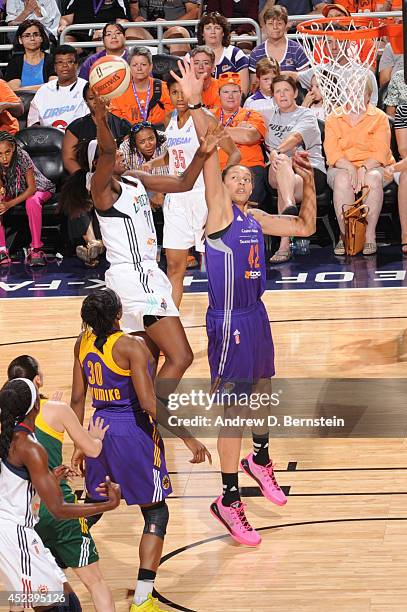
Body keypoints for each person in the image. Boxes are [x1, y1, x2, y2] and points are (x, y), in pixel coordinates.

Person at [171, 60, 316, 546]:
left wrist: (309, 182)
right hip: (228, 320)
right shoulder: (218, 215)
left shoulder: (256, 219)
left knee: (263, 392)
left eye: (246, 181)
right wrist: (194, 104)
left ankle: (260, 457)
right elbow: (212, 159)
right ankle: (228, 499)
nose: (243, 185)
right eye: (236, 180)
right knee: (233, 410)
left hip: (257, 316)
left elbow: (304, 228)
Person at [59, 92, 222, 408]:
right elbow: (107, 149)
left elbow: (185, 183)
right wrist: (102, 119)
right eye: (107, 155)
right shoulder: (100, 189)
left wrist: (202, 154)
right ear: (97, 164)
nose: (117, 152)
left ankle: (136, 416)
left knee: (148, 358)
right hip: (135, 278)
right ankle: (152, 412)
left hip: (142, 276)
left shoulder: (135, 178)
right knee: (181, 355)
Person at [71, 289, 211, 611]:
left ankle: (51, 556)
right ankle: (144, 599)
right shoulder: (131, 347)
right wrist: (187, 437)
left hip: (98, 430)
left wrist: (81, 443)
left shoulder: (81, 344)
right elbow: (148, 403)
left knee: (92, 507)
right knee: (156, 512)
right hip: (132, 433)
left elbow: (78, 399)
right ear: (118, 315)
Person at [7, 354, 116, 612]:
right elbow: (92, 450)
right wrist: (96, 437)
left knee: (23, 595)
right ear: (37, 381)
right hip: (57, 507)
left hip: (25, 518)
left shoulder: (5, 423)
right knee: (95, 582)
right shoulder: (56, 410)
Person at [155, 71, 240, 308]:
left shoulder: (206, 119)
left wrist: (221, 186)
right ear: (169, 95)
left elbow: (234, 152)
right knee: (174, 265)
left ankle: (224, 314)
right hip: (176, 199)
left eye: (183, 91)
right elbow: (173, 156)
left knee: (214, 264)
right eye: (174, 92)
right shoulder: (168, 120)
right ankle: (170, 321)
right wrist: (151, 165)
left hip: (204, 197)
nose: (179, 96)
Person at [324, 81, 395, 256]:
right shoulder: (334, 117)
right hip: (341, 166)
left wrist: (364, 167)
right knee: (343, 179)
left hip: (376, 166)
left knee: (372, 178)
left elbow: (381, 151)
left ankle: (369, 236)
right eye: (350, 90)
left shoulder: (379, 117)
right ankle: (346, 236)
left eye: (359, 92)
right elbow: (332, 153)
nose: (354, 95)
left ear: (369, 96)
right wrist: (350, 167)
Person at [266, 75, 326, 263]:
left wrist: (276, 151)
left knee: (284, 168)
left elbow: (295, 138)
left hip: (308, 170)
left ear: (295, 93)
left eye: (286, 90)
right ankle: (291, 206)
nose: (282, 94)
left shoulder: (306, 114)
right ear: (273, 96)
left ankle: (284, 246)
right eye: (277, 91)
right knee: (283, 162)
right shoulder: (268, 116)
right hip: (277, 170)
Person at [211, 72, 268, 208]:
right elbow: (200, 135)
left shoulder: (252, 114)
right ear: (219, 94)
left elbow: (248, 136)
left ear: (241, 93)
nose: (230, 96)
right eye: (226, 92)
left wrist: (215, 133)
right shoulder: (209, 115)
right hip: (216, 168)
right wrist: (237, 131)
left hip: (248, 166)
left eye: (235, 92)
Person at [0, 131, 55, 267]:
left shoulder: (22, 156)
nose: (4, 158)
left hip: (39, 188)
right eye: (0, 155)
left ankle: (36, 249)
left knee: (32, 201)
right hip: (14, 191)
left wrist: (9, 204)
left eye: (7, 152)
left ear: (13, 148)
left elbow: (32, 189)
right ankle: (2, 250)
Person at [27, 44, 88, 131]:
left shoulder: (86, 88)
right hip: (47, 140)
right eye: (60, 62)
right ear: (55, 67)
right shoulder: (43, 91)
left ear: (76, 65)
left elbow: (91, 122)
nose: (65, 65)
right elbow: (33, 125)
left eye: (69, 62)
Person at [109, 47, 173, 126]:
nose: (139, 68)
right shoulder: (120, 91)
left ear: (150, 67)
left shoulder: (164, 88)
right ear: (129, 67)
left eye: (143, 64)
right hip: (129, 135)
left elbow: (172, 118)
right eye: (135, 65)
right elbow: (116, 123)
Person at [249, 6, 309, 87]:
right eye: (270, 23)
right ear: (265, 26)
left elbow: (306, 81)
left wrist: (284, 75)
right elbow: (254, 85)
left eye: (279, 23)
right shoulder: (256, 53)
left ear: (286, 25)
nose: (275, 27)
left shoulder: (297, 50)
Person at [195, 12, 250, 95]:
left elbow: (243, 91)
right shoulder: (191, 56)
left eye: (217, 28)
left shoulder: (236, 54)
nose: (212, 32)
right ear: (202, 33)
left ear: (223, 32)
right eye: (208, 28)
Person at [130, 0, 200, 55]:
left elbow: (194, 11)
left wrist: (171, 24)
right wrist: (136, 17)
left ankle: (178, 71)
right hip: (146, 29)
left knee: (177, 33)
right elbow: (133, 6)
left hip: (173, 28)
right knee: (132, 31)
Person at [5, 19, 56, 91]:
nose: (32, 38)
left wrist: (23, 89)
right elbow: (14, 90)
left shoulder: (52, 60)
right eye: (27, 36)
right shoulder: (15, 62)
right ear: (20, 40)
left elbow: (53, 86)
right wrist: (43, 87)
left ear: (41, 38)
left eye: (36, 35)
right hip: (22, 101)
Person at [58, 0, 129, 44]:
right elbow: (66, 18)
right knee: (66, 41)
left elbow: (123, 21)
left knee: (103, 43)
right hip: (79, 35)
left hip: (103, 36)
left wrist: (105, 31)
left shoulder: (118, 1)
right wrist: (63, 25)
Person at [243, 57, 279, 125]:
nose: (270, 82)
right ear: (258, 79)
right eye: (266, 79)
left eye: (274, 79)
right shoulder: (251, 102)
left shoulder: (283, 98)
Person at [189, 45, 221, 110]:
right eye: (196, 63)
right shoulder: (185, 88)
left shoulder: (221, 87)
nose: (201, 67)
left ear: (213, 68)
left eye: (205, 63)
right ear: (191, 67)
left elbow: (218, 115)